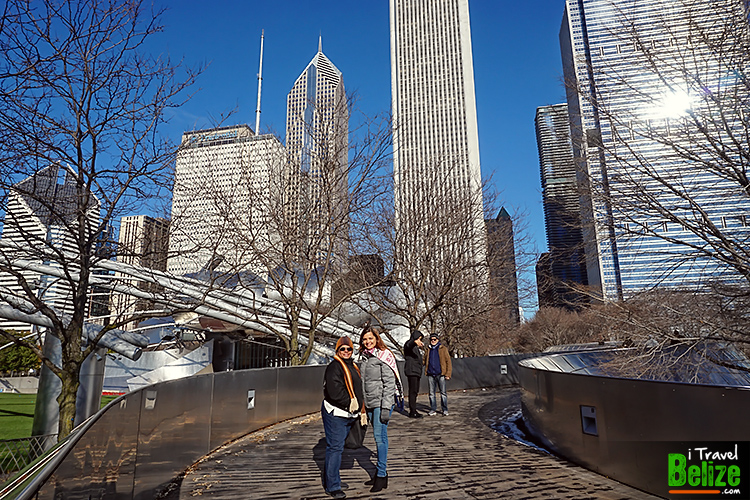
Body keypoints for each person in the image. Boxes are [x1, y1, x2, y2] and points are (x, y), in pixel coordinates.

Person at [359, 326, 401, 493]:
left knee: (380, 438)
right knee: (378, 437)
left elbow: (389, 384)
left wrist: (385, 407)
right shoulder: (364, 357)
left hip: (381, 403)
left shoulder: (384, 356)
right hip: (369, 402)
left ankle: (382, 475)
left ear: (377, 339)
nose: (368, 342)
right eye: (365, 339)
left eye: (371, 338)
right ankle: (380, 474)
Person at [322, 336, 364, 499]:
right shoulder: (334, 367)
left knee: (336, 447)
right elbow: (334, 392)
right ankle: (333, 486)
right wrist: (350, 403)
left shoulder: (352, 366)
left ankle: (331, 480)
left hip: (349, 413)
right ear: (337, 351)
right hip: (336, 413)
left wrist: (360, 408)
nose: (346, 351)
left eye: (349, 349)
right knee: (335, 448)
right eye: (342, 349)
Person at [423, 332, 452, 416]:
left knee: (443, 393)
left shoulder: (443, 349)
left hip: (441, 374)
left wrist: (448, 374)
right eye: (431, 339)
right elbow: (424, 360)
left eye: (434, 339)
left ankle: (445, 409)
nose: (433, 341)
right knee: (431, 394)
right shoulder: (428, 349)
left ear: (438, 340)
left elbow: (448, 362)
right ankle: (433, 409)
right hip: (430, 374)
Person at [403, 329, 425, 418]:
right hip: (412, 371)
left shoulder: (416, 348)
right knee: (412, 391)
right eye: (419, 339)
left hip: (416, 371)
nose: (420, 341)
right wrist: (415, 342)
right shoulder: (409, 344)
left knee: (415, 391)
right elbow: (409, 345)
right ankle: (413, 411)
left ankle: (413, 410)